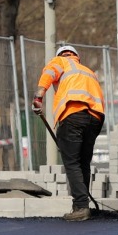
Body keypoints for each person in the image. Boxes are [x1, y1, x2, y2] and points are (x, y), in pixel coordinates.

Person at [32, 44, 105, 222]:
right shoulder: (88, 71)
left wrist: (38, 96)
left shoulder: (61, 61)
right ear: (76, 56)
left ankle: (81, 207)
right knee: (83, 163)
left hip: (73, 114)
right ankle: (80, 205)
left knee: (72, 162)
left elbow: (49, 72)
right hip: (95, 118)